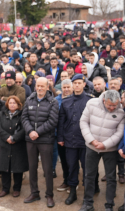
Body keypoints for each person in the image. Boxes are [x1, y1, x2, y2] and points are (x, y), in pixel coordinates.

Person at [79, 90, 125, 211]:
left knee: (110, 177)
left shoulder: (121, 111)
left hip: (110, 149)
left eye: (114, 106)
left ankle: (109, 205)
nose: (112, 108)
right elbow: (83, 122)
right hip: (91, 147)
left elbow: (120, 132)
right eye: (109, 105)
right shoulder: (91, 103)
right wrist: (91, 140)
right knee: (89, 175)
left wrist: (105, 144)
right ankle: (88, 203)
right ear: (104, 100)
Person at [22, 77, 59, 208]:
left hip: (45, 140)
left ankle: (49, 195)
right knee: (32, 168)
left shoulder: (53, 102)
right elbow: (24, 117)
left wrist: (38, 132)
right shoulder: (29, 99)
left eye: (43, 86)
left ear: (47, 87)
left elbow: (53, 121)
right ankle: (34, 193)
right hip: (30, 140)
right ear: (35, 86)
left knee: (47, 169)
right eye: (38, 86)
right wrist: (30, 131)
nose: (40, 88)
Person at [57, 74, 94, 205]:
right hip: (70, 140)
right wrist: (60, 137)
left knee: (87, 168)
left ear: (84, 84)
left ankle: (87, 196)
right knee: (72, 166)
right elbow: (61, 120)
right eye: (75, 83)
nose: (77, 85)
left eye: (79, 83)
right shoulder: (66, 101)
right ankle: (73, 192)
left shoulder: (90, 101)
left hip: (85, 141)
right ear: (72, 85)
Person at [0, 96, 28, 198]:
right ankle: (5, 189)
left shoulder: (22, 115)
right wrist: (7, 138)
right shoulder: (1, 114)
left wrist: (14, 138)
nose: (12, 105)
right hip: (4, 144)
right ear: (7, 104)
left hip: (18, 145)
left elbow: (24, 129)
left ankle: (17, 189)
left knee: (17, 168)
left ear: (18, 105)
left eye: (14, 103)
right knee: (5, 168)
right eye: (10, 103)